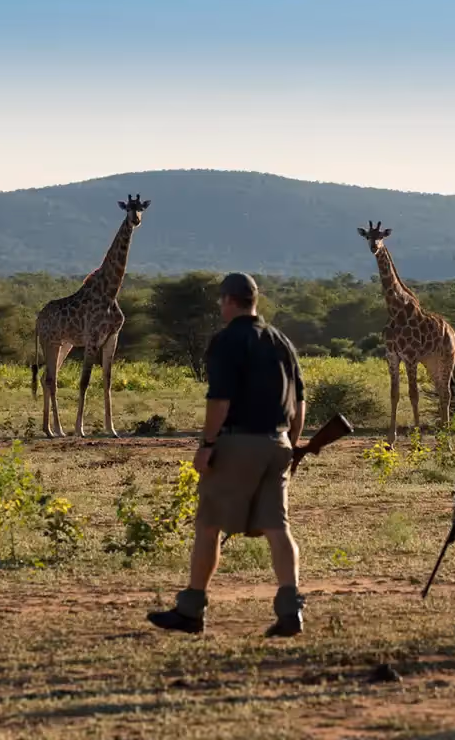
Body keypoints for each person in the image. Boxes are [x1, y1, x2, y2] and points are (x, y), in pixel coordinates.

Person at [147, 273, 308, 638]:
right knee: (278, 528)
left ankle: (191, 609)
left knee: (208, 525)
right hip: (279, 443)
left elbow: (220, 400)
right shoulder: (281, 341)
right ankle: (290, 609)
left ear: (228, 301)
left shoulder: (227, 341)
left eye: (221, 301)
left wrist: (206, 445)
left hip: (239, 443)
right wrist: (292, 446)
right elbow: (299, 403)